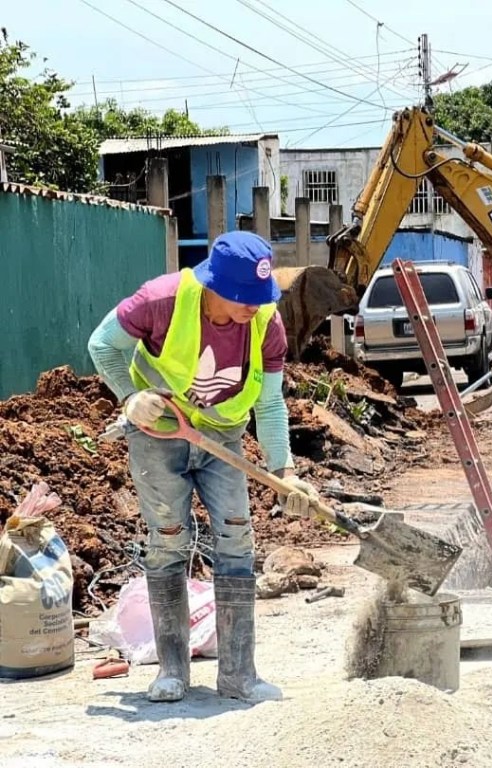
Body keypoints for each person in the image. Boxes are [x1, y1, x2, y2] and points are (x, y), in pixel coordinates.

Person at [87, 231, 318, 703]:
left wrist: (285, 472)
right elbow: (101, 344)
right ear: (216, 286)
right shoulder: (161, 300)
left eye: (261, 297)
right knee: (168, 539)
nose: (254, 307)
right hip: (159, 433)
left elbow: (270, 405)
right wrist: (131, 398)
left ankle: (239, 675)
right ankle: (172, 672)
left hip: (222, 435)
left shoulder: (266, 324)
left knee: (237, 537)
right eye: (244, 299)